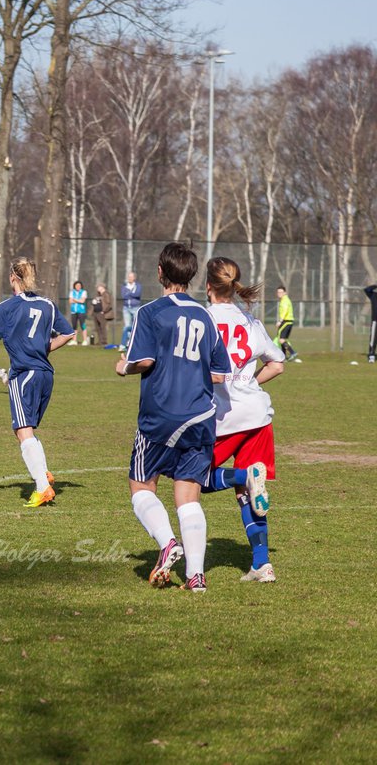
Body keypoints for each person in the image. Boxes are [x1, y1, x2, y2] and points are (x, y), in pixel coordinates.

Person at [116, 242, 231, 593]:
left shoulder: (150, 313)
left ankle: (167, 543)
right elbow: (220, 374)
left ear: (160, 272)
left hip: (161, 416)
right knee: (188, 495)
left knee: (141, 485)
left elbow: (145, 360)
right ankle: (196, 577)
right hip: (201, 417)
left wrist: (124, 367)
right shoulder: (206, 317)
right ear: (192, 277)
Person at [204, 257, 284, 583]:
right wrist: (250, 383)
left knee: (193, 476)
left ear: (208, 285)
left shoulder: (203, 319)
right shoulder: (251, 321)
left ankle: (245, 475)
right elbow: (277, 364)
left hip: (223, 419)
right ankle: (262, 565)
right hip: (258, 415)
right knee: (246, 493)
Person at [0, 258, 76, 507]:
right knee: (25, 429)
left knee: (23, 430)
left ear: (12, 278)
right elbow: (69, 333)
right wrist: (44, 348)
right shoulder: (48, 305)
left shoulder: (7, 308)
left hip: (23, 374)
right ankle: (44, 473)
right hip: (45, 375)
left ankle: (42, 487)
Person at [274, 286, 298, 362]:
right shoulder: (285, 300)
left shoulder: (284, 301)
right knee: (283, 339)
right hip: (289, 322)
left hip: (286, 321)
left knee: (281, 339)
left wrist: (280, 321)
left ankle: (292, 352)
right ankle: (283, 357)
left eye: (281, 292)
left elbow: (284, 311)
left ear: (285, 293)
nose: (279, 294)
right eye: (278, 292)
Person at [119, 271, 141, 349]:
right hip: (126, 308)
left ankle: (135, 343)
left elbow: (137, 294)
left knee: (135, 326)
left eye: (131, 277)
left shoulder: (138, 286)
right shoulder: (124, 286)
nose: (130, 278)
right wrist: (131, 293)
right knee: (127, 326)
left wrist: (129, 293)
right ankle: (127, 343)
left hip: (135, 308)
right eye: (129, 277)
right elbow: (123, 295)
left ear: (134, 278)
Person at [91, 282, 113, 347]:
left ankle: (104, 341)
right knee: (97, 328)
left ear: (102, 287)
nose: (97, 288)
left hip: (102, 313)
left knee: (103, 327)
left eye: (98, 287)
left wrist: (104, 311)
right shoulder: (97, 295)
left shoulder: (106, 294)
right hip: (96, 313)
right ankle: (100, 341)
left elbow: (108, 303)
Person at [69, 280, 88, 346]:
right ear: (74, 286)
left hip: (81, 311)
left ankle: (85, 340)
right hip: (73, 311)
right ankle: (74, 340)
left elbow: (82, 301)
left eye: (79, 285)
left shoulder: (84, 292)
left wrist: (74, 300)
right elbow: (70, 301)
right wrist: (78, 300)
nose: (78, 287)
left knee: (83, 325)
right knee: (74, 326)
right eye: (77, 285)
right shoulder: (72, 292)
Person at [365, 283, 377, 363]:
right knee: (373, 339)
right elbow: (367, 290)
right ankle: (372, 355)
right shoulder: (373, 295)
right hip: (375, 321)